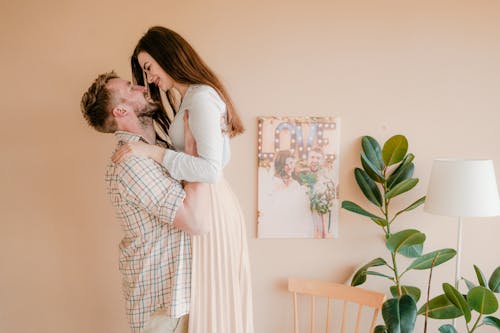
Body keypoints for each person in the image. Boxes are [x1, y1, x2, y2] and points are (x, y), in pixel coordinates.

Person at [112, 26, 254, 333]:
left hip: (211, 206)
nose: (148, 79)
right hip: (205, 202)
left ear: (168, 56)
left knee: (214, 305)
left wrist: (153, 153)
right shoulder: (189, 97)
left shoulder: (201, 97)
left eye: (149, 68)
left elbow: (209, 170)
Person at [80, 71, 210, 333]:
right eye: (131, 88)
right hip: (162, 308)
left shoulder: (158, 150)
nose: (142, 87)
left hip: (178, 300)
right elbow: (194, 221)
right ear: (120, 111)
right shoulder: (132, 163)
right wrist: (198, 158)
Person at [258, 150, 314, 237]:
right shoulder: (272, 182)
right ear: (280, 165)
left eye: (291, 163)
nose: (290, 166)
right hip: (277, 224)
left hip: (294, 224)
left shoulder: (295, 183)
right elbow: (267, 205)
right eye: (286, 164)